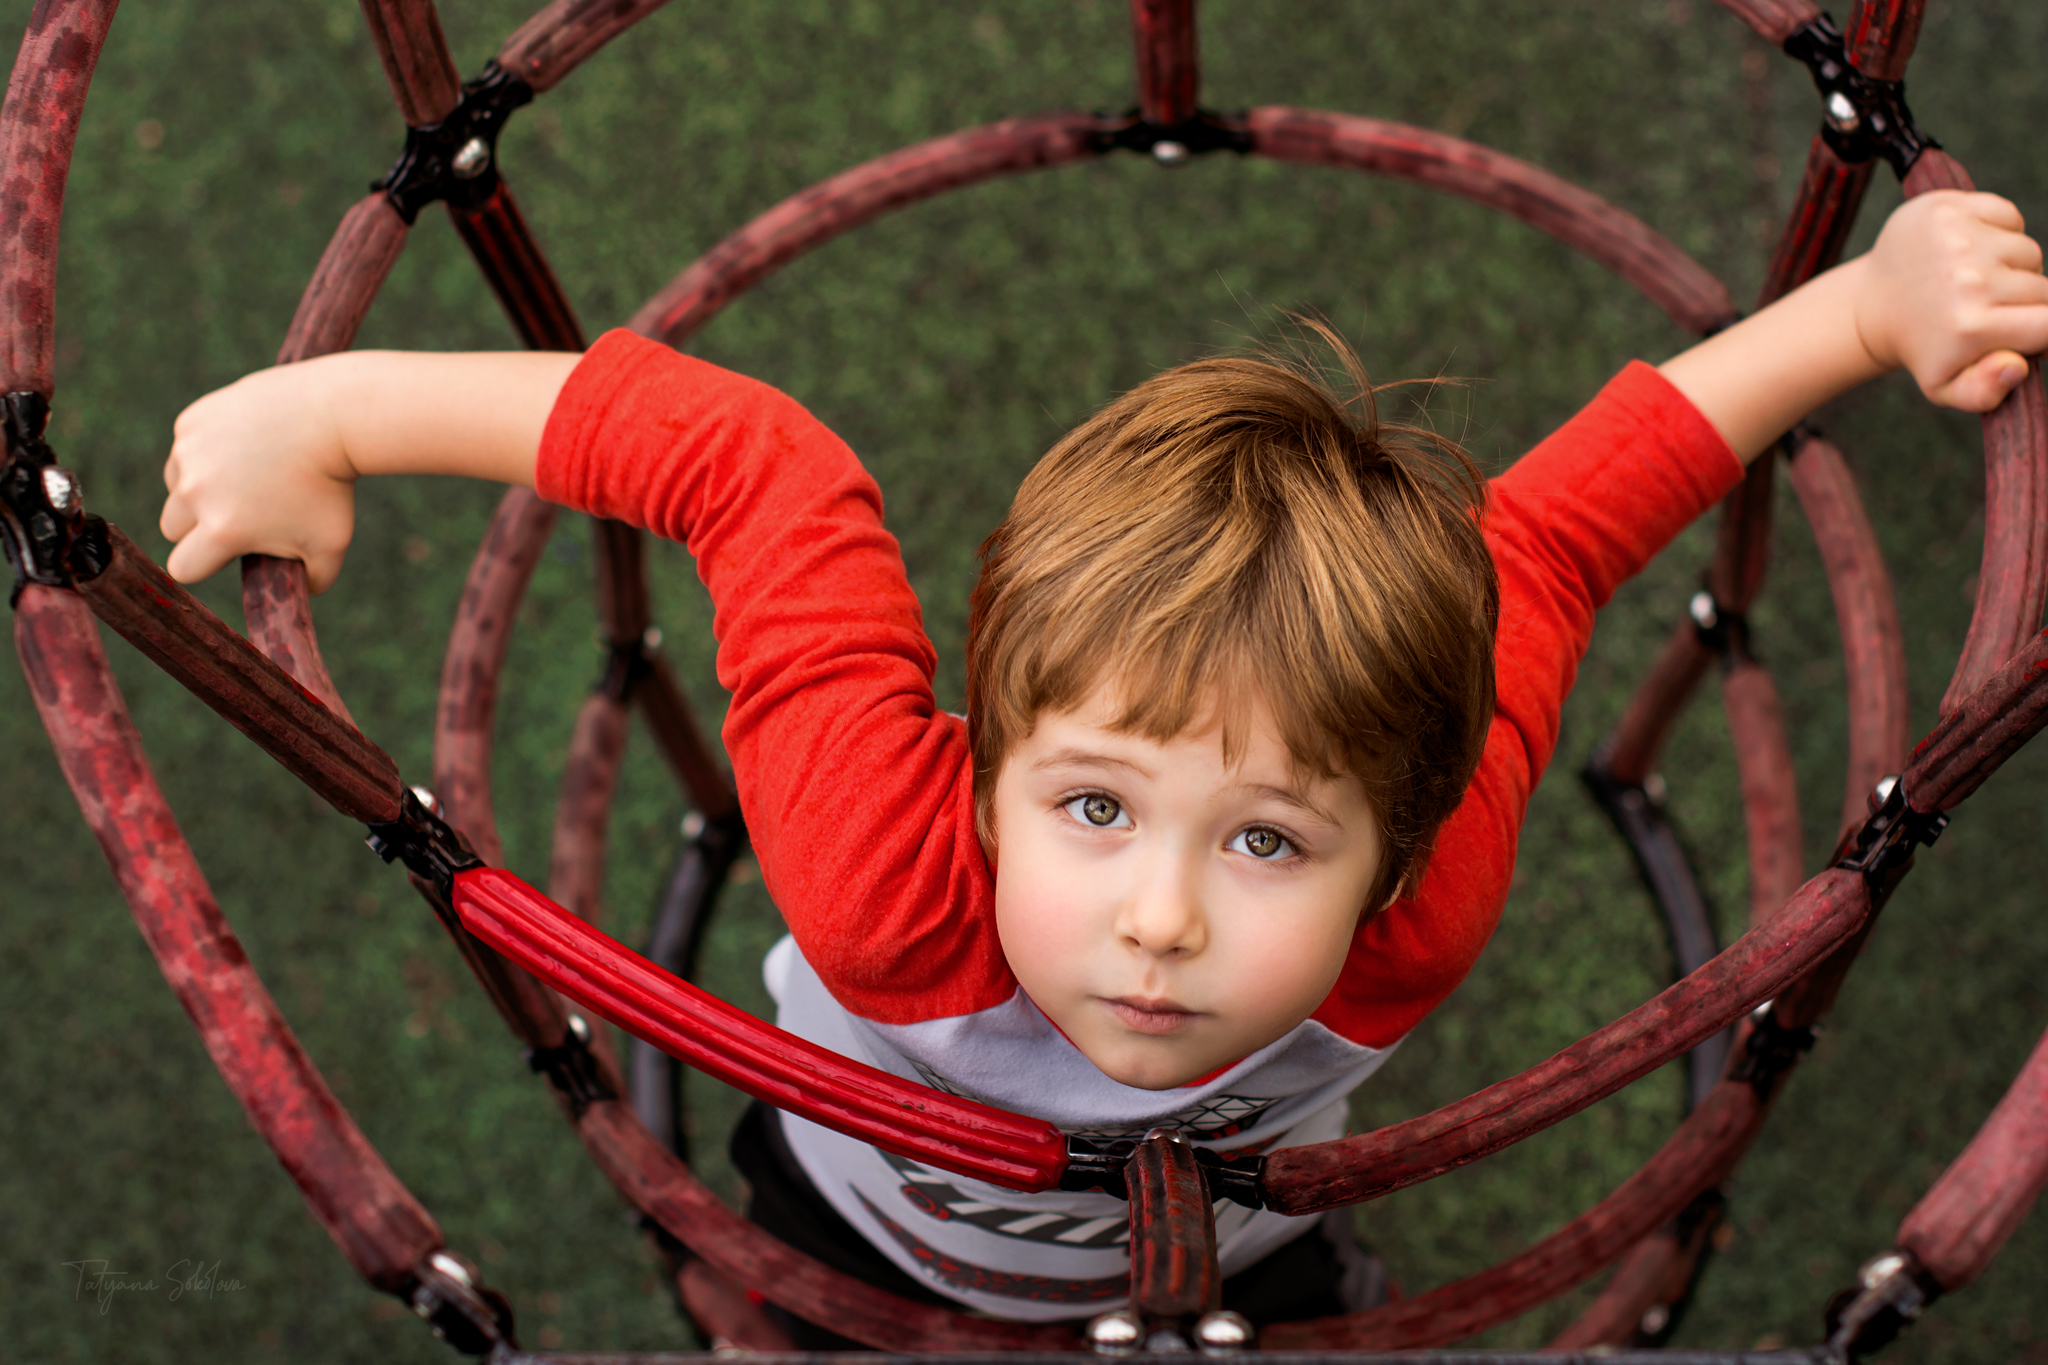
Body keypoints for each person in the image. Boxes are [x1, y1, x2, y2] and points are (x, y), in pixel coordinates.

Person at [161, 191, 2048, 1338]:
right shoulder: (883, 872)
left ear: (1392, 846)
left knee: (1293, 1315)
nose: (1156, 916)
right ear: (985, 766)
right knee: (800, 1305)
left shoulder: (1429, 896)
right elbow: (750, 466)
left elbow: (1548, 540)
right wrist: (325, 409)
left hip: (1244, 1249)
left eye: (1270, 839)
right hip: (854, 1204)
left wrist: (1865, 314)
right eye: (1092, 804)